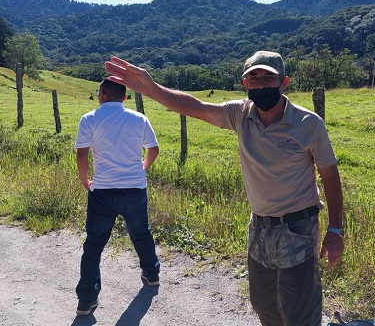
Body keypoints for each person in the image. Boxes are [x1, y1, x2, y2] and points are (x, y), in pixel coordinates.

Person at [105, 51, 344, 326]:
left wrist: (335, 230)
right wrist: (151, 88)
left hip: (298, 227)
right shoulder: (239, 114)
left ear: (284, 82)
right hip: (260, 226)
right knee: (263, 304)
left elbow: (330, 176)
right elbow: (194, 106)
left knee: (299, 311)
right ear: (245, 84)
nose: (262, 85)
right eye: (254, 79)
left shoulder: (308, 123)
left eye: (269, 78)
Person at [74, 79, 161, 316]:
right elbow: (153, 149)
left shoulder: (89, 119)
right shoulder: (138, 118)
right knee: (141, 233)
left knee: (94, 244)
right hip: (134, 188)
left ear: (101, 94)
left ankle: (86, 300)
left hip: (103, 190)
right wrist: (142, 168)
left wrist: (85, 180)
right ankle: (152, 275)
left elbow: (82, 154)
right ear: (125, 97)